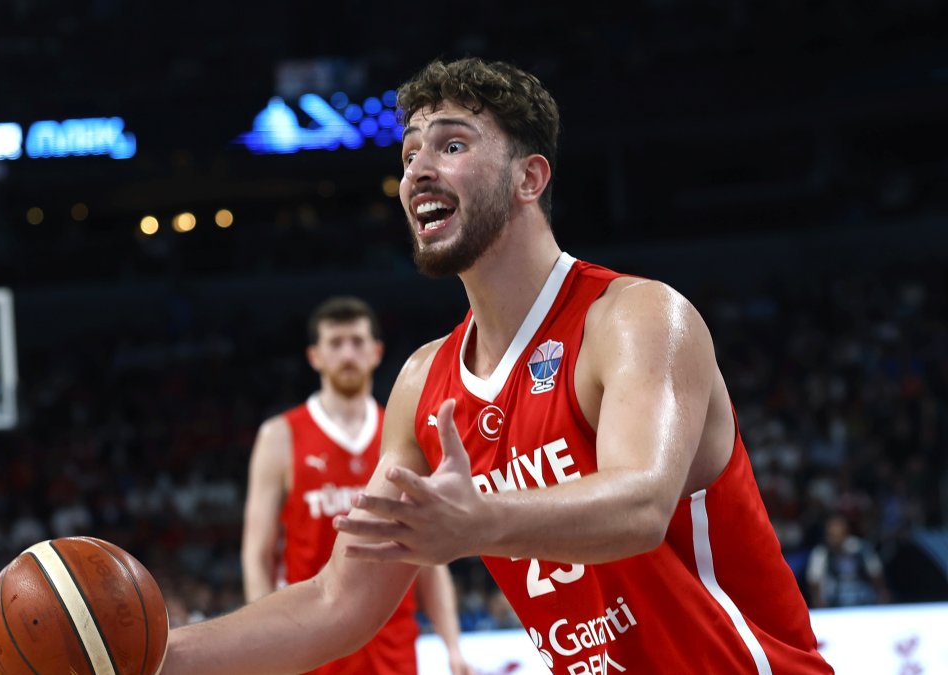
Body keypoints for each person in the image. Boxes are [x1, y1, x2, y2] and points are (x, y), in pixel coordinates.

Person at [163, 56, 832, 674]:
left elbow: (640, 503)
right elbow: (337, 601)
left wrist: (479, 519)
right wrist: (154, 656)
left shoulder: (634, 317)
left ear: (528, 177)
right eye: (409, 154)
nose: (418, 170)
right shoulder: (425, 382)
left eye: (451, 145)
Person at [241, 296, 473, 675]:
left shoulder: (406, 434)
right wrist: (263, 646)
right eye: (335, 343)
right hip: (311, 645)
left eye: (357, 341)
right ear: (314, 356)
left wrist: (453, 646)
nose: (348, 352)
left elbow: (429, 561)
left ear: (377, 352)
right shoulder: (280, 435)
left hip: (392, 649)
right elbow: (257, 555)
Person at [806, 514, 891, 608]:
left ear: (846, 533)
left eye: (838, 535)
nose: (835, 539)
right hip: (833, 599)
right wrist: (818, 601)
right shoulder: (821, 553)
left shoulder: (860, 548)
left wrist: (882, 593)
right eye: (831, 535)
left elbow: (875, 573)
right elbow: (814, 581)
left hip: (862, 597)